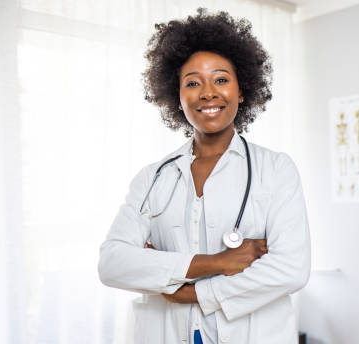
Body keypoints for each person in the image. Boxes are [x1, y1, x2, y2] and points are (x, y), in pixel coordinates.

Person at [98, 9, 311, 344]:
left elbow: (290, 270)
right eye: (193, 83)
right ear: (176, 97)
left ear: (242, 91)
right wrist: (219, 262)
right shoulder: (152, 178)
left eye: (222, 80)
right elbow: (112, 264)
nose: (208, 92)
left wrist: (193, 290)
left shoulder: (276, 170)